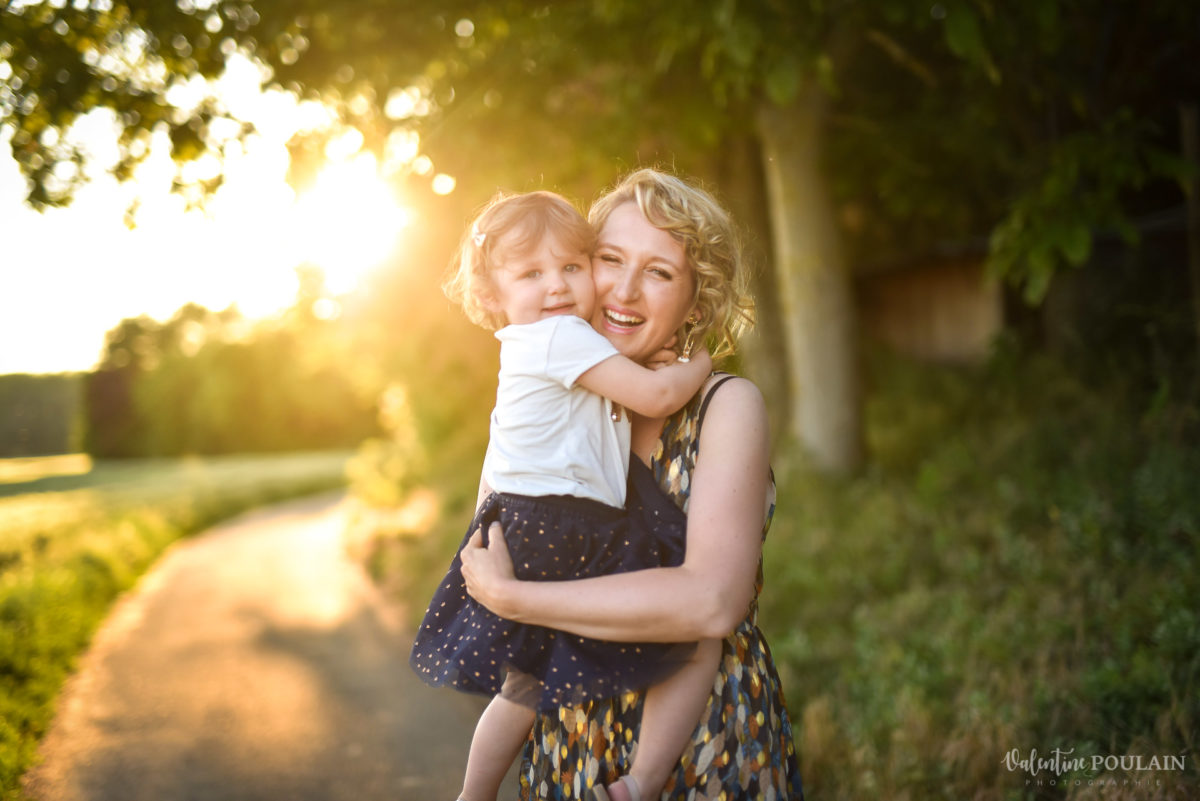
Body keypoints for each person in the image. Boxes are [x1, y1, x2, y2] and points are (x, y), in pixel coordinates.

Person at [459, 169, 805, 801]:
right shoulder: (560, 399)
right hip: (570, 736)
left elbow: (711, 604)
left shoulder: (725, 405)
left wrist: (522, 602)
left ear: (697, 302)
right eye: (609, 259)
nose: (622, 289)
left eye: (659, 272)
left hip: (705, 742)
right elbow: (489, 537)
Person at [408, 190, 726, 801]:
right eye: (531, 273)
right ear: (490, 297)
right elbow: (658, 399)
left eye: (571, 268)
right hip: (565, 524)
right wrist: (696, 366)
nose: (556, 286)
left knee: (523, 690)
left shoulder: (552, 346)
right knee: (694, 645)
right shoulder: (559, 340)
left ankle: (471, 796)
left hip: (527, 526)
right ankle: (640, 783)